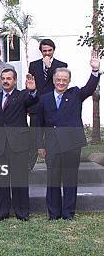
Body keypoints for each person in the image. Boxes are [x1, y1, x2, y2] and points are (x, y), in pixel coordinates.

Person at [36, 52, 100, 220]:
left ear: (69, 81)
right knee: (53, 181)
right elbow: (38, 125)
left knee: (70, 180)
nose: (61, 82)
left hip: (72, 145)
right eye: (58, 79)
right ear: (54, 80)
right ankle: (54, 213)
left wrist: (95, 70)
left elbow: (89, 88)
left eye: (65, 80)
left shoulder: (75, 94)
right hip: (52, 145)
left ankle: (68, 213)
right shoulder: (44, 99)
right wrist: (40, 146)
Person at [0, 69, 37, 221]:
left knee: (19, 179)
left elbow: (33, 101)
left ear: (15, 80)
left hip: (18, 144)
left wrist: (32, 90)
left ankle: (22, 213)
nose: (6, 81)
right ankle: (1, 213)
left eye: (9, 78)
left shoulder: (22, 96)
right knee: (1, 181)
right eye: (3, 78)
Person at [27, 39, 68, 170]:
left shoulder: (61, 65)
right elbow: (31, 86)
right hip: (36, 107)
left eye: (49, 51)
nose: (47, 53)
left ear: (53, 50)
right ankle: (28, 168)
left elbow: (59, 83)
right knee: (34, 138)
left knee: (52, 139)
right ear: (41, 51)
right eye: (44, 51)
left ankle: (53, 167)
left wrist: (49, 67)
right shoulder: (33, 65)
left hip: (53, 109)